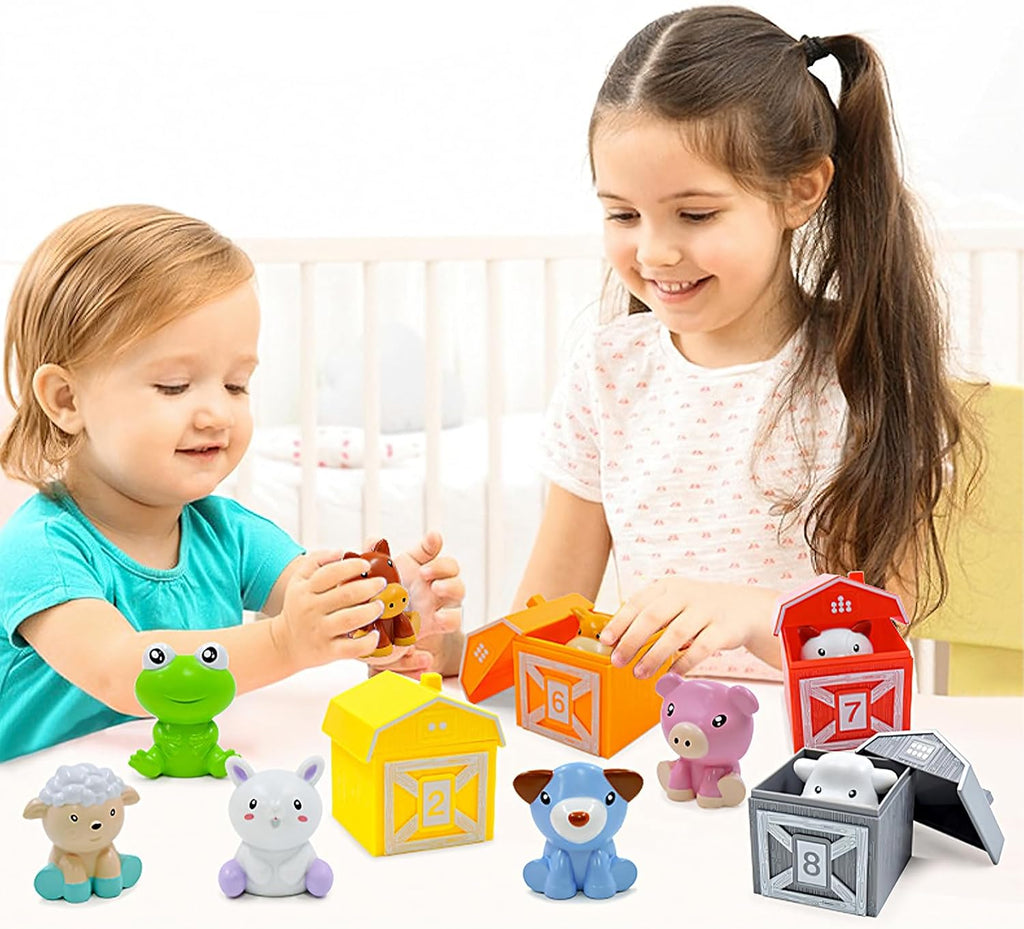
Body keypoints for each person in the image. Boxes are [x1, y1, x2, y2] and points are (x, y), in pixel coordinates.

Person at [515, 6, 976, 682]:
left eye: (695, 214)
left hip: (818, 762)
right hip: (656, 758)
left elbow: (876, 649)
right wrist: (443, 649)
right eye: (622, 214)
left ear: (801, 191)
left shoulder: (863, 377)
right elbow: (544, 625)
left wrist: (761, 615)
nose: (654, 250)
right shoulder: (607, 373)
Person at [0, 204, 464, 761]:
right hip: (50, 809)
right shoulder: (41, 548)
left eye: (236, 385)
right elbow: (123, 672)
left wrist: (389, 616)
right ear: (66, 400)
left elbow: (316, 607)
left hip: (177, 783)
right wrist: (283, 642)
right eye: (175, 386)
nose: (216, 413)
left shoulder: (230, 533)